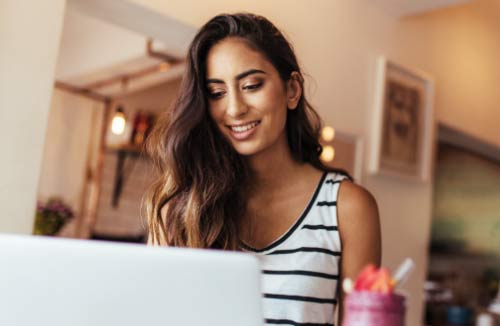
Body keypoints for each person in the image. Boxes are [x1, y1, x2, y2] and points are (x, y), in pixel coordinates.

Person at [145, 12, 381, 326]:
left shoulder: (348, 208)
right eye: (217, 93)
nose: (234, 109)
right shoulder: (178, 206)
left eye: (252, 85)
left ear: (292, 89)